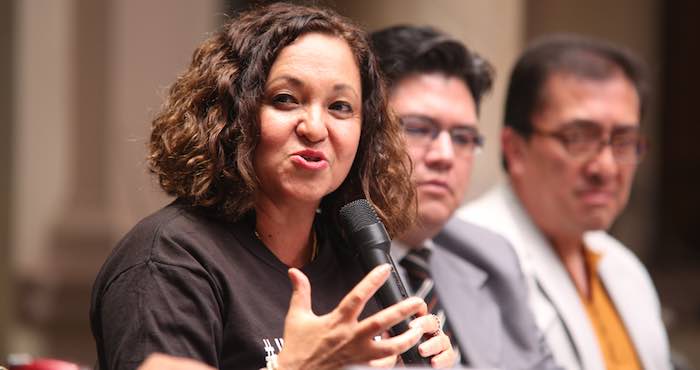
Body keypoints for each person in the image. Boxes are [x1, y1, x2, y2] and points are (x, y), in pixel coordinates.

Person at [90, 3, 455, 370]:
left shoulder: (355, 257)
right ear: (232, 114)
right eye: (285, 100)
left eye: (340, 107)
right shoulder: (170, 258)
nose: (315, 127)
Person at [458, 34, 671, 370]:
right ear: (515, 148)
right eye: (578, 138)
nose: (606, 167)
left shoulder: (623, 266)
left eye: (623, 141)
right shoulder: (465, 261)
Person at [370, 25, 559, 369]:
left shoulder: (490, 255)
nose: (444, 155)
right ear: (366, 130)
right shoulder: (318, 257)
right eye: (417, 128)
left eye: (462, 137)